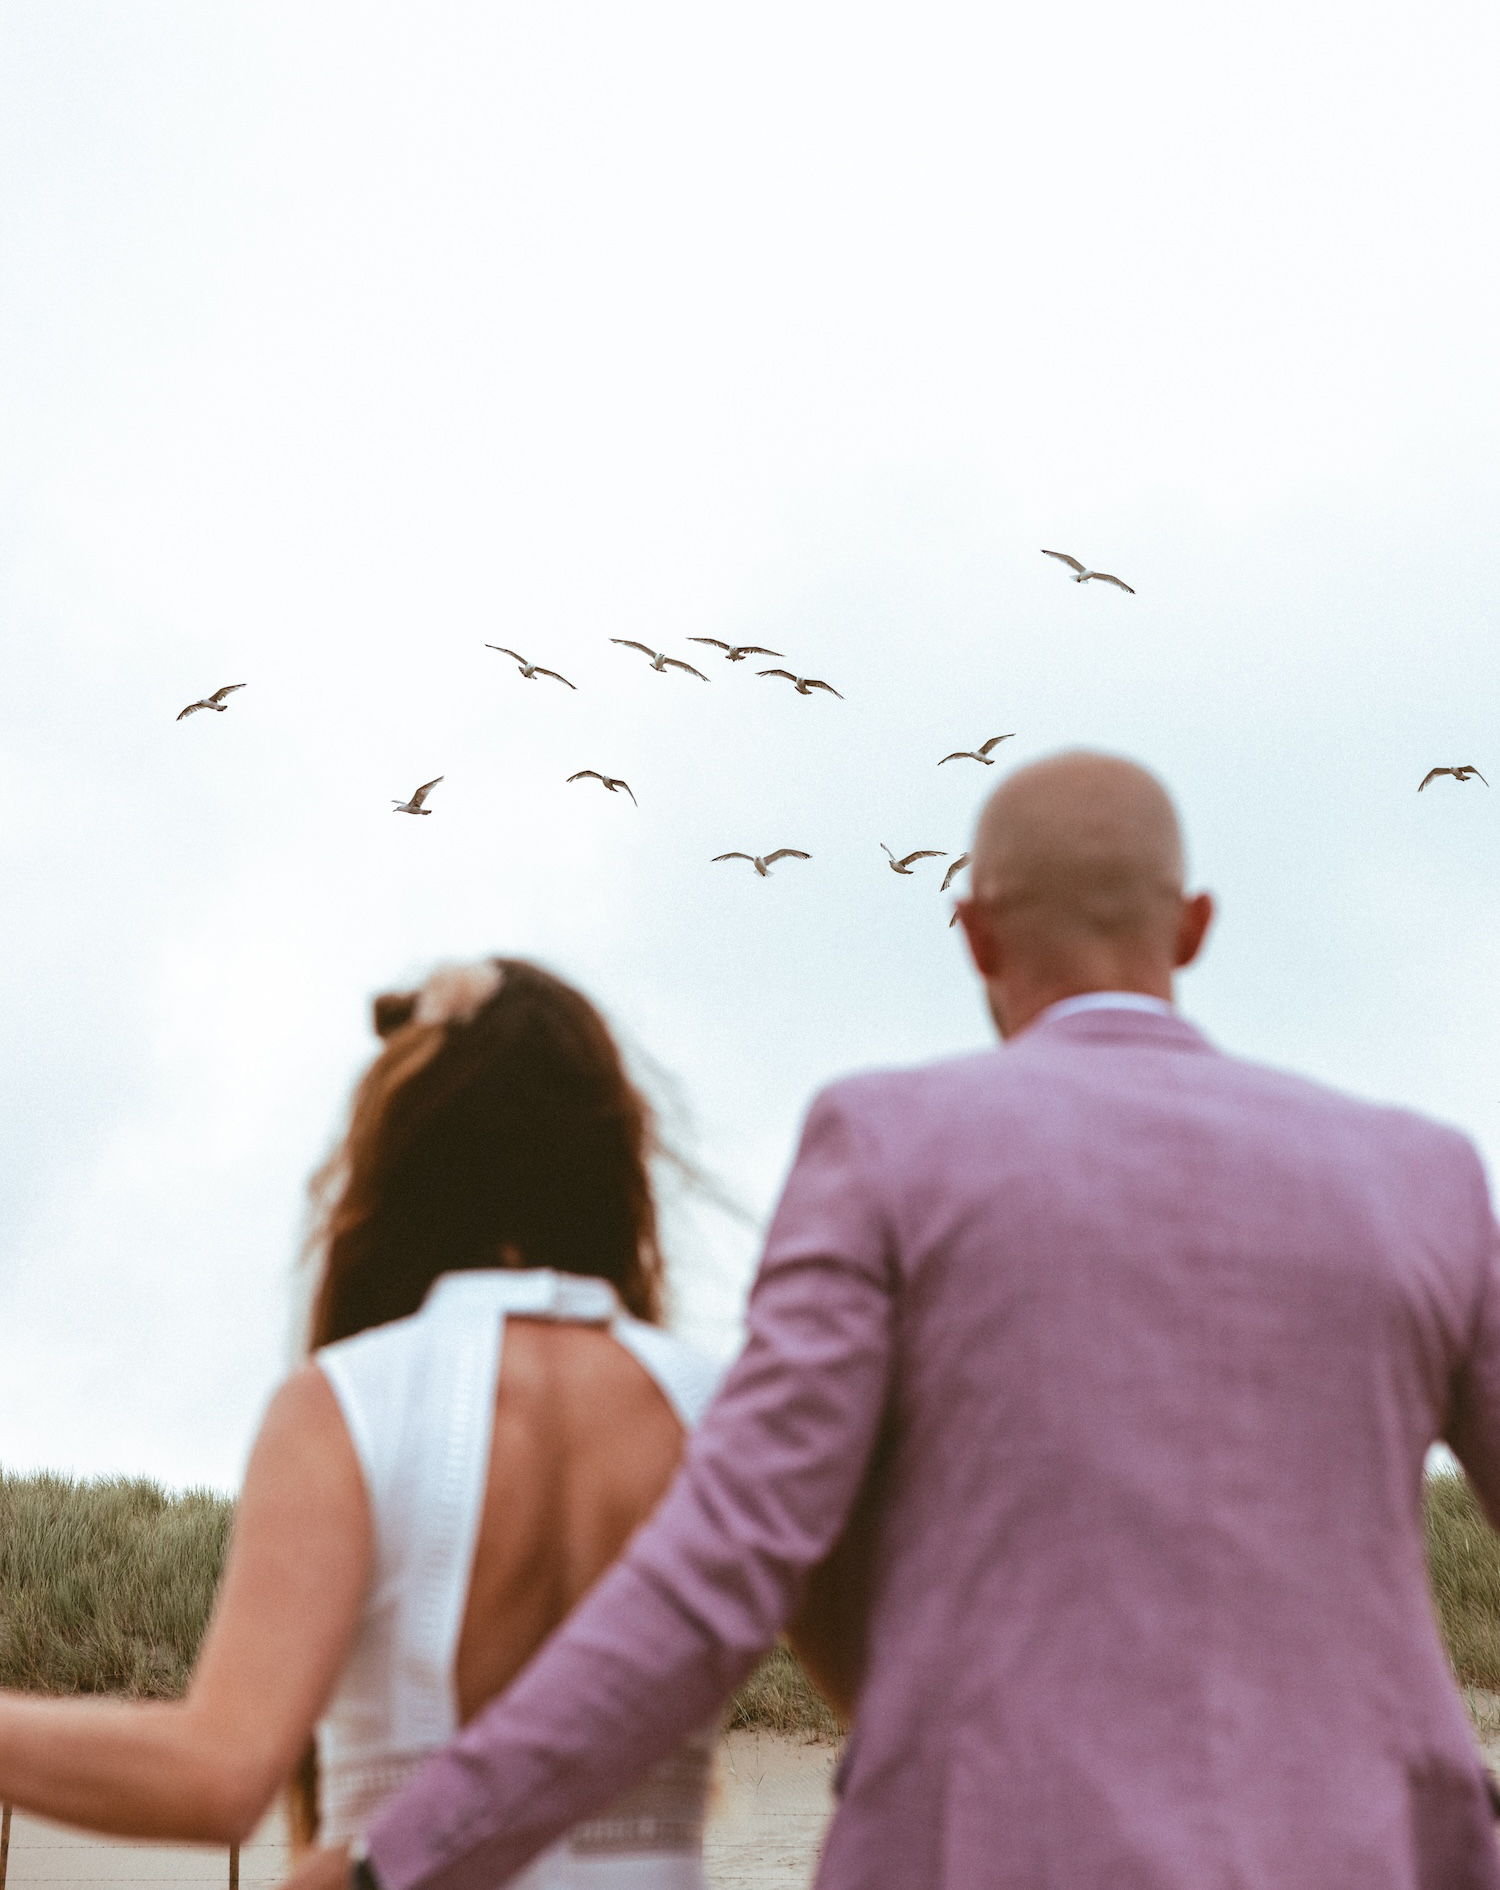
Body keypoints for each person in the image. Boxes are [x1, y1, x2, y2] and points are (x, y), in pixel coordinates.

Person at [289, 750, 1500, 1890]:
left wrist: (398, 1859)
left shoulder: (890, 1149)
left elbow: (723, 1565)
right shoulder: (1426, 1176)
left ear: (975, 934)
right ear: (1193, 927)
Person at [0, 957, 723, 1887]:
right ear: (609, 1154)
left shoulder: (346, 1403)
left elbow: (219, 1774)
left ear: (402, 1155)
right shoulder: (725, 1410)